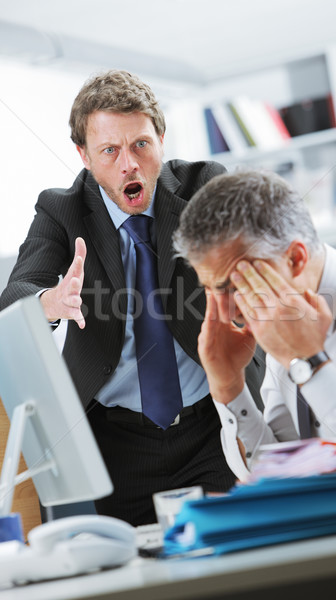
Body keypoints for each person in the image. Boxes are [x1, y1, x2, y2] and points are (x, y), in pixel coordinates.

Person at [0, 70, 265, 525]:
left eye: (141, 144)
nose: (130, 165)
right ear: (83, 156)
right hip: (115, 441)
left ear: (161, 138)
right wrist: (51, 301)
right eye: (110, 151)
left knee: (235, 559)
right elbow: (13, 299)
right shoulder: (61, 210)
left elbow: (248, 253)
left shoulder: (203, 185)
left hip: (209, 425)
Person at [173, 168, 336, 481]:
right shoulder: (281, 312)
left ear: (295, 259)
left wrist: (308, 360)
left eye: (236, 285)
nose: (225, 313)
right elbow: (277, 473)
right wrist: (227, 386)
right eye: (211, 290)